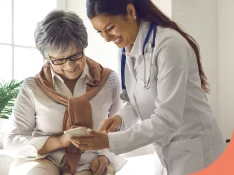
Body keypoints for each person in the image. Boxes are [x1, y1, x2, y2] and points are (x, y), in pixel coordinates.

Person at [70, 0, 226, 174]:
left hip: (196, 149)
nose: (107, 38)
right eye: (100, 32)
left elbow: (167, 118)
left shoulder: (169, 45)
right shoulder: (128, 47)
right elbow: (138, 101)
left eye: (110, 28)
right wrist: (121, 119)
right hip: (165, 151)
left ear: (131, 11)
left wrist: (109, 142)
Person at [3, 10, 126, 175]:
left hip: (89, 163)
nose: (69, 66)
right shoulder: (33, 87)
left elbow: (119, 131)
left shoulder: (109, 80)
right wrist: (59, 142)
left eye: (75, 56)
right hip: (44, 159)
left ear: (84, 47)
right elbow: (12, 141)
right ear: (47, 57)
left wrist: (105, 157)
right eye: (59, 60)